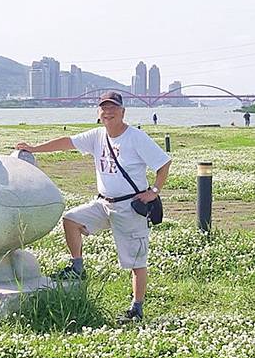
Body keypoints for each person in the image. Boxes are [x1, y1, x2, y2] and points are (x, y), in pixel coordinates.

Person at [16, 91, 172, 323]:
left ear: (122, 111)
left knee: (136, 261)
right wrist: (34, 149)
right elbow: (67, 142)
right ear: (98, 113)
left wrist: (154, 191)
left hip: (129, 206)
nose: (108, 112)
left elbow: (164, 163)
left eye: (112, 108)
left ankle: (136, 308)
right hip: (103, 203)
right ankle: (77, 267)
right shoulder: (97, 136)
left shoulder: (136, 137)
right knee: (70, 220)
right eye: (103, 108)